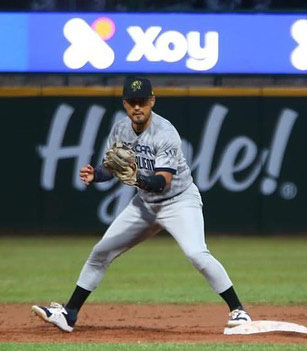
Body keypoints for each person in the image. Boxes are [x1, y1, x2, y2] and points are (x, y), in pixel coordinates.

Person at [31, 77, 251, 332]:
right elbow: (112, 166)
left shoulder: (165, 132)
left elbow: (162, 182)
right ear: (125, 104)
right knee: (101, 252)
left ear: (152, 101)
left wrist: (136, 178)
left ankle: (239, 311)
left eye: (143, 102)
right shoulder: (120, 130)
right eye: (132, 102)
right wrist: (97, 174)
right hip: (145, 205)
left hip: (179, 202)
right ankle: (69, 314)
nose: (138, 107)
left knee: (196, 254)